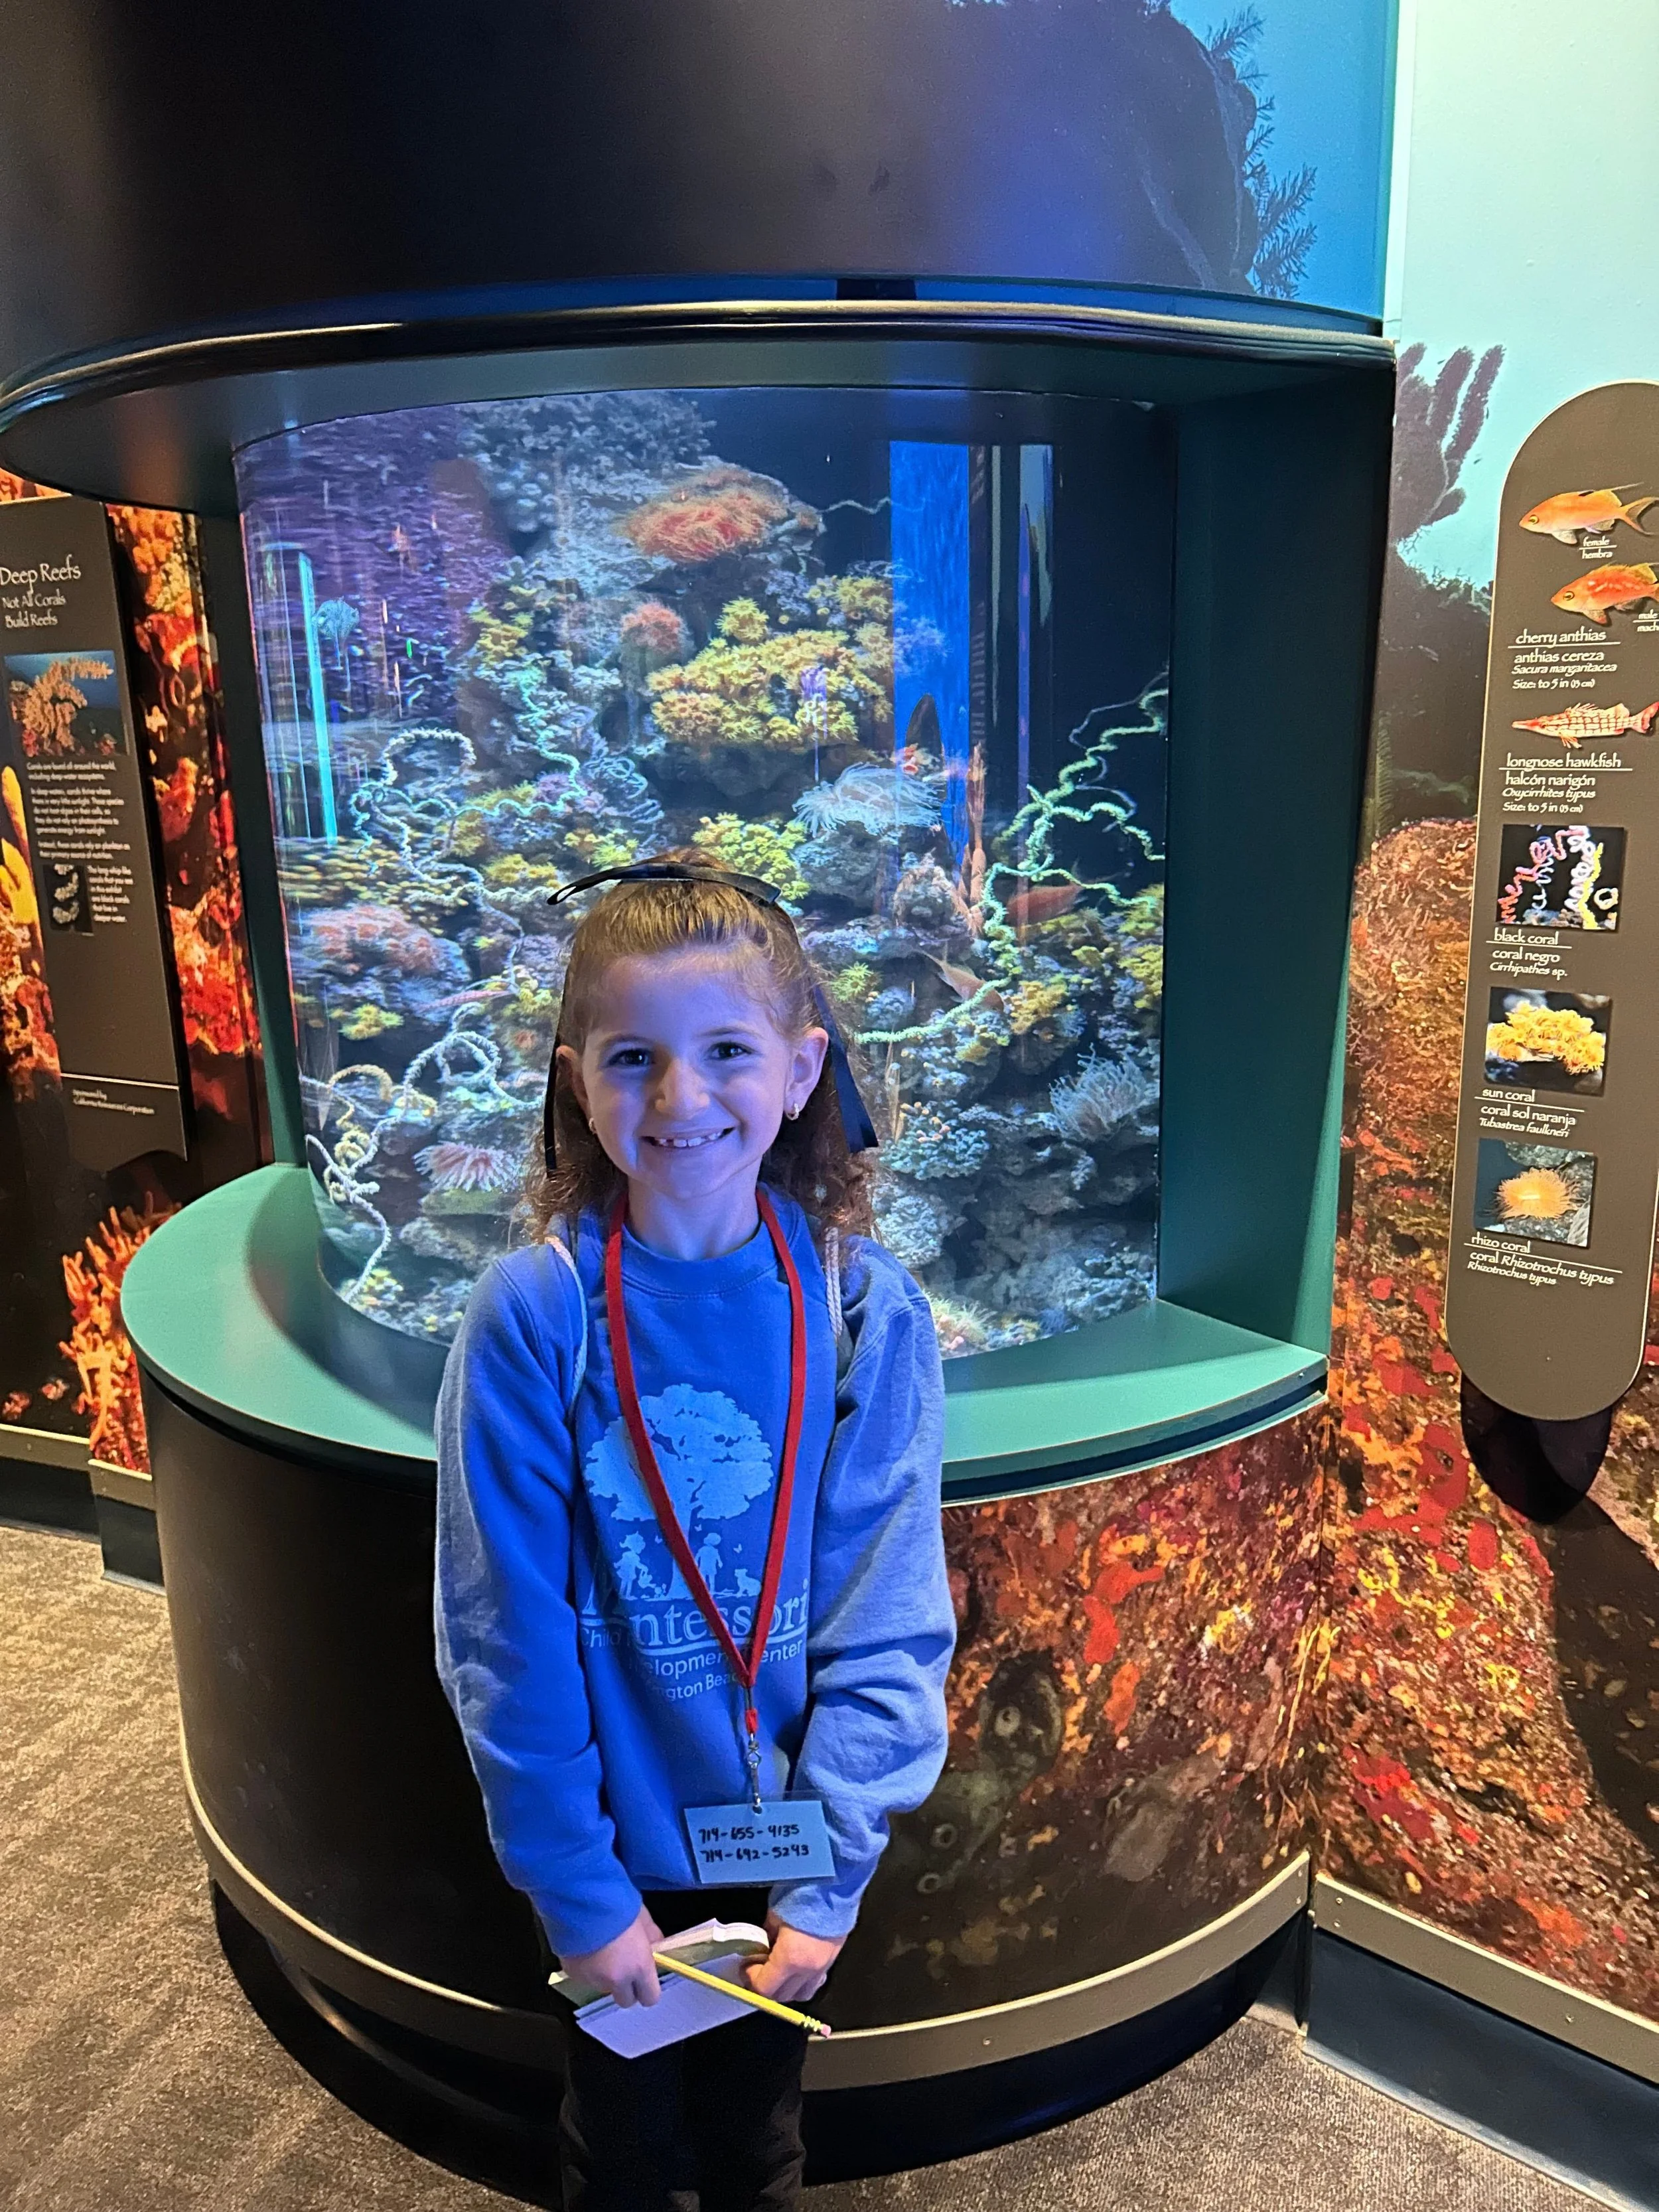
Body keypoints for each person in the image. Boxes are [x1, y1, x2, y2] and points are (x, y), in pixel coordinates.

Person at [435, 855, 955, 2212]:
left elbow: (886, 1610)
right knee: (623, 2156)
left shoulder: (861, 1310)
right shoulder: (531, 1315)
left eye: (726, 1050)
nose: (679, 1099)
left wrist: (831, 1871)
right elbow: (503, 1633)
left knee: (758, 2152)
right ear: (575, 1078)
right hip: (608, 1860)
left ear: (799, 1069)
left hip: (786, 1851)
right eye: (632, 1058)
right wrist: (578, 1891)